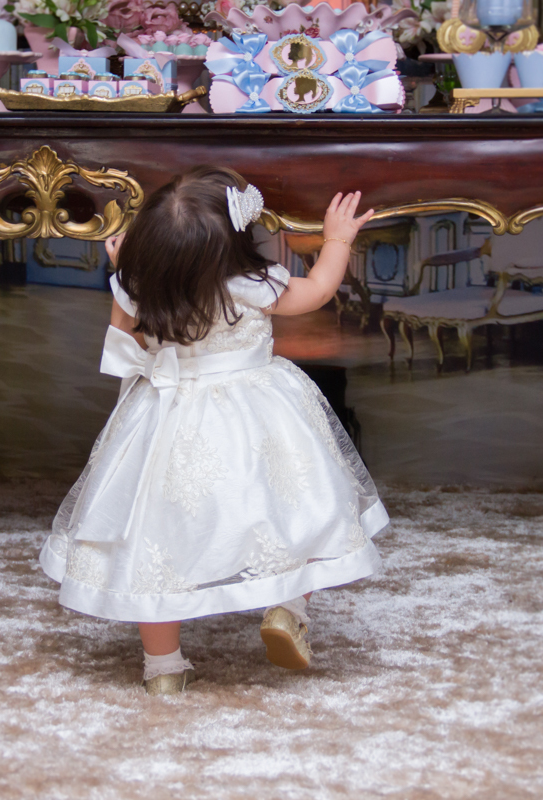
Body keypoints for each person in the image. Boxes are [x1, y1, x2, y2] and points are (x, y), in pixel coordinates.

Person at [39, 166, 389, 695]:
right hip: (258, 415)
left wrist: (122, 276)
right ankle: (288, 609)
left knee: (152, 540)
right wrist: (336, 240)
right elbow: (317, 291)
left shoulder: (139, 287)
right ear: (234, 243)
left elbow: (122, 349)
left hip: (166, 422)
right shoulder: (253, 284)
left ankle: (164, 669)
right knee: (302, 507)